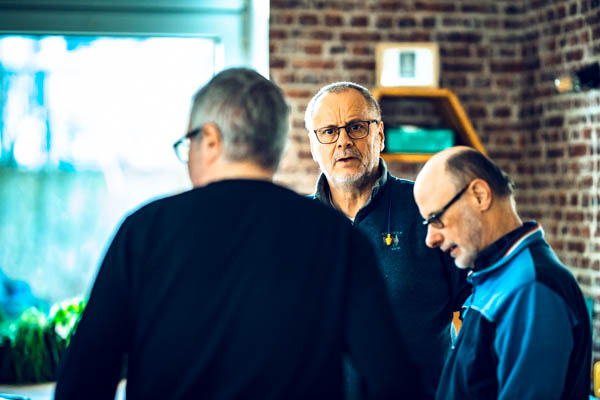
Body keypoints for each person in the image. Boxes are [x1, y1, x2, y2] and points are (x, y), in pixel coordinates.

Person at [54, 68, 416, 400]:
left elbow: (83, 383)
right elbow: (393, 381)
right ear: (277, 144)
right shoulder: (336, 237)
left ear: (210, 140)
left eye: (189, 143)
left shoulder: (144, 232)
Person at [305, 82, 470, 400]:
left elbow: (476, 301)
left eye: (356, 127)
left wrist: (465, 381)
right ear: (314, 145)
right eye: (329, 131)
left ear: (379, 135)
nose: (343, 141)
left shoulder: (428, 208)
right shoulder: (296, 224)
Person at [413, 146, 591, 399]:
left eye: (435, 218)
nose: (430, 239)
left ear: (479, 196)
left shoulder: (530, 289)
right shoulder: (496, 275)